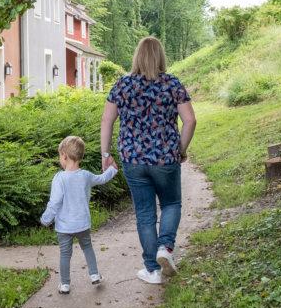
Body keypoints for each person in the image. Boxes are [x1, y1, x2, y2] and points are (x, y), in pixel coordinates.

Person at [101, 36, 196, 285]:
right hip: (166, 158)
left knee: (144, 214)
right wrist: (180, 149)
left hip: (133, 159)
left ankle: (152, 270)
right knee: (171, 204)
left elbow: (107, 121)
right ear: (161, 56)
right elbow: (190, 121)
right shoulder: (172, 84)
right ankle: (165, 247)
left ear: (137, 56)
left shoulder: (122, 85)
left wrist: (105, 154)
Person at [40, 135, 118, 294]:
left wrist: (45, 219)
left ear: (64, 156)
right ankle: (95, 275)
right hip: (82, 223)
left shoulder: (59, 178)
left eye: (59, 156)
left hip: (64, 226)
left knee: (65, 254)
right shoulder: (86, 176)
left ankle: (65, 284)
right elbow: (102, 178)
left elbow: (55, 202)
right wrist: (113, 169)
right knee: (87, 248)